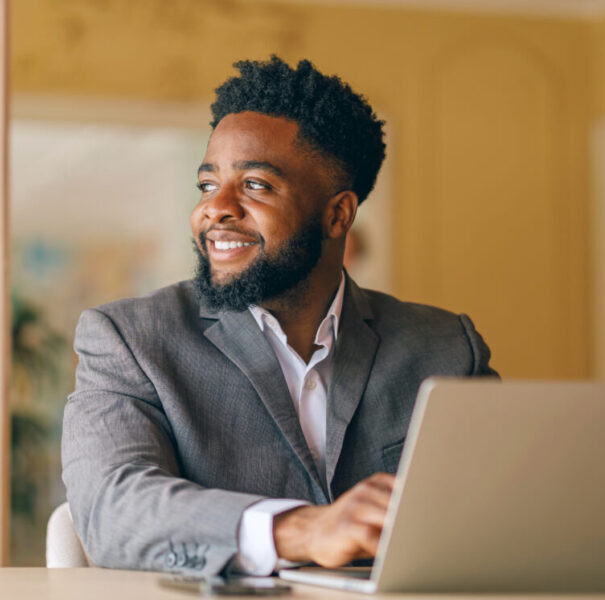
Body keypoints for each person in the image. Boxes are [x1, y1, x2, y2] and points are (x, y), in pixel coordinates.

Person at [61, 55, 497, 577]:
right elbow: (112, 509)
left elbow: (508, 505)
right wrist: (302, 529)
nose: (215, 208)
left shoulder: (446, 346)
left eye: (256, 186)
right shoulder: (129, 339)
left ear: (338, 214)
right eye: (207, 184)